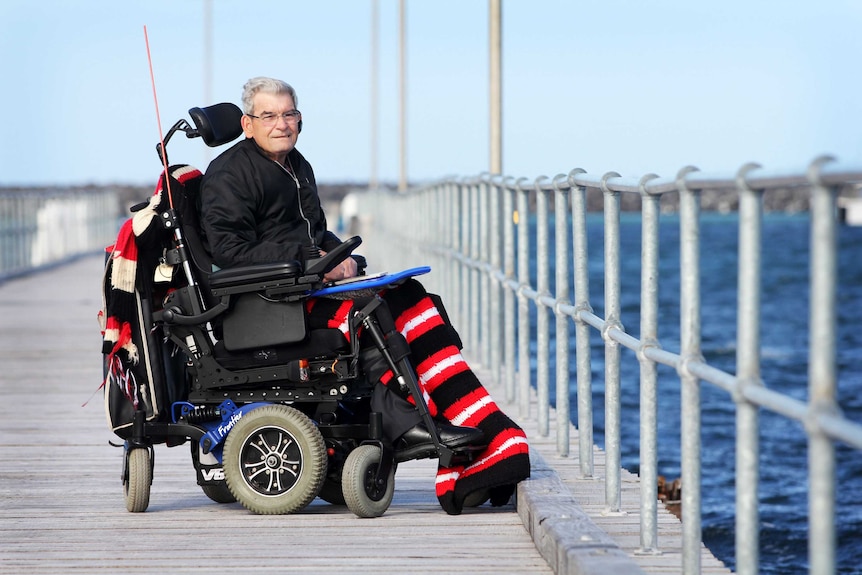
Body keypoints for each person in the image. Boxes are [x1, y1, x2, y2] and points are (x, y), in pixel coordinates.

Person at [199, 76, 529, 515]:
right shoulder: (229, 174)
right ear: (247, 123)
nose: (282, 124)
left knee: (411, 296)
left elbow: (314, 233)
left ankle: (482, 427)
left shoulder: (297, 166)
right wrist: (312, 258)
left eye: (289, 114)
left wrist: (342, 258)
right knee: (372, 313)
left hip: (306, 286)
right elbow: (229, 251)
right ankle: (411, 423)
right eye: (270, 115)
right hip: (267, 304)